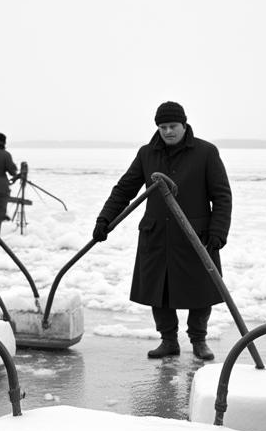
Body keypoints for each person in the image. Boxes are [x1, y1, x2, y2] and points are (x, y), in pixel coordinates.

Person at [92, 100, 232, 361]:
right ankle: (168, 341)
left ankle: (199, 341)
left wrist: (219, 231)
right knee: (160, 290)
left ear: (184, 124)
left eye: (173, 126)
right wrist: (104, 219)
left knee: (200, 291)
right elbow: (125, 189)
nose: (168, 131)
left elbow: (222, 196)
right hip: (157, 235)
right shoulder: (147, 153)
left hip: (196, 235)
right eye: (163, 127)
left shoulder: (205, 152)